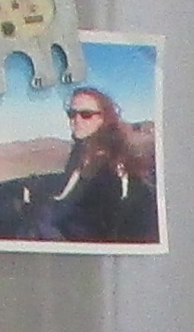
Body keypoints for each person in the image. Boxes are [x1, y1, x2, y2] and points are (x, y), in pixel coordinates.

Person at [49, 86, 158, 246]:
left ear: (104, 118)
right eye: (72, 114)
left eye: (86, 115)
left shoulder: (112, 166)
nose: (76, 120)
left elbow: (105, 227)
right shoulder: (82, 155)